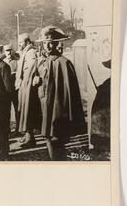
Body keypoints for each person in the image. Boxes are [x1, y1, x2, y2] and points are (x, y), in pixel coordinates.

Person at [36, 26, 86, 161]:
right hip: (45, 106)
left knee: (56, 137)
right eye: (45, 43)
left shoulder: (64, 63)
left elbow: (71, 92)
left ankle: (59, 163)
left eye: (51, 42)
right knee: (47, 136)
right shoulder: (43, 62)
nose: (47, 45)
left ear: (56, 43)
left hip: (57, 108)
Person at [17, 33, 42, 148]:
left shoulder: (30, 52)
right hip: (24, 85)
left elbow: (32, 67)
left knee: (27, 112)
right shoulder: (26, 52)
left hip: (27, 86)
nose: (19, 44)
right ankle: (28, 136)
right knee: (24, 111)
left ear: (26, 42)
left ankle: (30, 138)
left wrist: (26, 82)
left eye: (21, 42)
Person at [3, 44, 21, 134]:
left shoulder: (17, 61)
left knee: (17, 108)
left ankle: (18, 128)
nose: (9, 52)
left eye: (10, 50)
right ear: (4, 52)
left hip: (15, 88)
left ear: (13, 51)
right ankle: (7, 129)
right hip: (6, 90)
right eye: (7, 51)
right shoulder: (3, 62)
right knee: (6, 110)